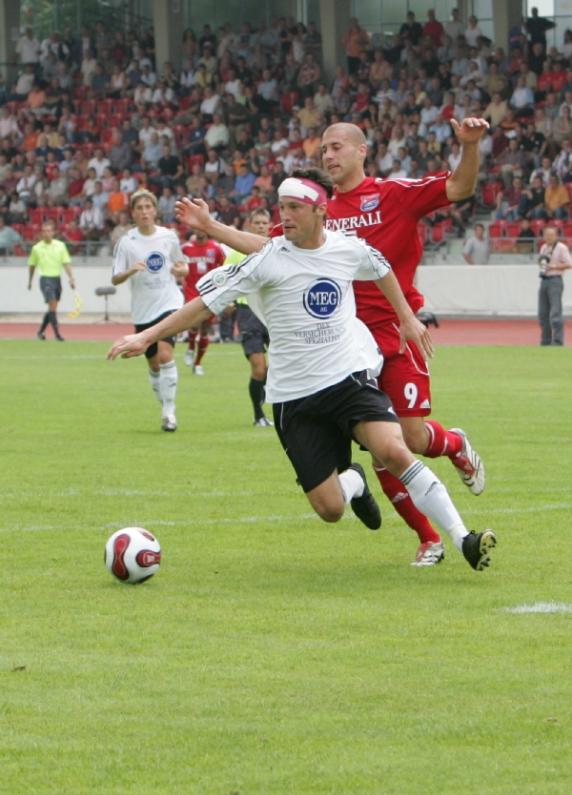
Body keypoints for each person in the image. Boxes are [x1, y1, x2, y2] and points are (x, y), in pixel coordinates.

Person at [109, 170, 496, 572]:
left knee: (394, 450)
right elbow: (204, 304)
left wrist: (407, 317)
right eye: (282, 207)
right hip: (295, 398)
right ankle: (355, 481)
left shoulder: (347, 248)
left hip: (349, 380)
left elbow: (381, 267)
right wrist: (146, 336)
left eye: (294, 207)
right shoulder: (266, 261)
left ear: (319, 211)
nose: (285, 215)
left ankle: (463, 538)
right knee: (330, 509)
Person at [111, 189, 188, 432]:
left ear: (155, 210)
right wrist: (131, 270)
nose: (144, 212)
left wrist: (182, 270)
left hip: (169, 303)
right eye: (139, 208)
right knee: (154, 364)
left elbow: (182, 265)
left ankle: (169, 412)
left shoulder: (168, 237)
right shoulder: (127, 242)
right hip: (144, 310)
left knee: (165, 355)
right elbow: (115, 278)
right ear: (133, 213)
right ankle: (164, 404)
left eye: (148, 207)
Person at [224, 208, 273, 427]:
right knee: (258, 368)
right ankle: (258, 415)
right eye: (257, 223)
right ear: (249, 225)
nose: (261, 226)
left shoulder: (276, 249)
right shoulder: (237, 251)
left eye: (264, 223)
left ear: (270, 225)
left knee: (281, 366)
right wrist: (227, 300)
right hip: (247, 312)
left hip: (272, 311)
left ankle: (269, 397)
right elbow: (225, 277)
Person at [180, 228, 226, 375]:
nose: (200, 231)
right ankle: (191, 347)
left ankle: (198, 363)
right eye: (197, 228)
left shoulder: (216, 248)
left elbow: (224, 269)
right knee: (194, 324)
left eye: (202, 228)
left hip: (210, 293)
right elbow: (178, 265)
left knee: (205, 329)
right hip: (192, 292)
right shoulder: (186, 248)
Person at [27, 220, 75, 341]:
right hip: (45, 279)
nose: (47, 233)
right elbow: (32, 266)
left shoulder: (60, 246)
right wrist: (30, 281)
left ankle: (40, 332)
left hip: (56, 279)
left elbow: (66, 263)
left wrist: (71, 278)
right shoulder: (36, 248)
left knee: (52, 308)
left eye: (49, 231)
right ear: (41, 233)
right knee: (52, 304)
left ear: (53, 232)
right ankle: (57, 334)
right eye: (44, 231)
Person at [537, 226, 572, 346]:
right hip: (544, 280)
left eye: (551, 235)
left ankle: (558, 341)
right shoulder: (543, 247)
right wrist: (542, 265)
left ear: (556, 236)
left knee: (555, 313)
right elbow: (542, 261)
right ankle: (545, 341)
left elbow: (569, 264)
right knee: (543, 313)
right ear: (543, 236)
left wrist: (554, 266)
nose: (549, 237)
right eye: (547, 235)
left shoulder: (561, 247)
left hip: (555, 280)